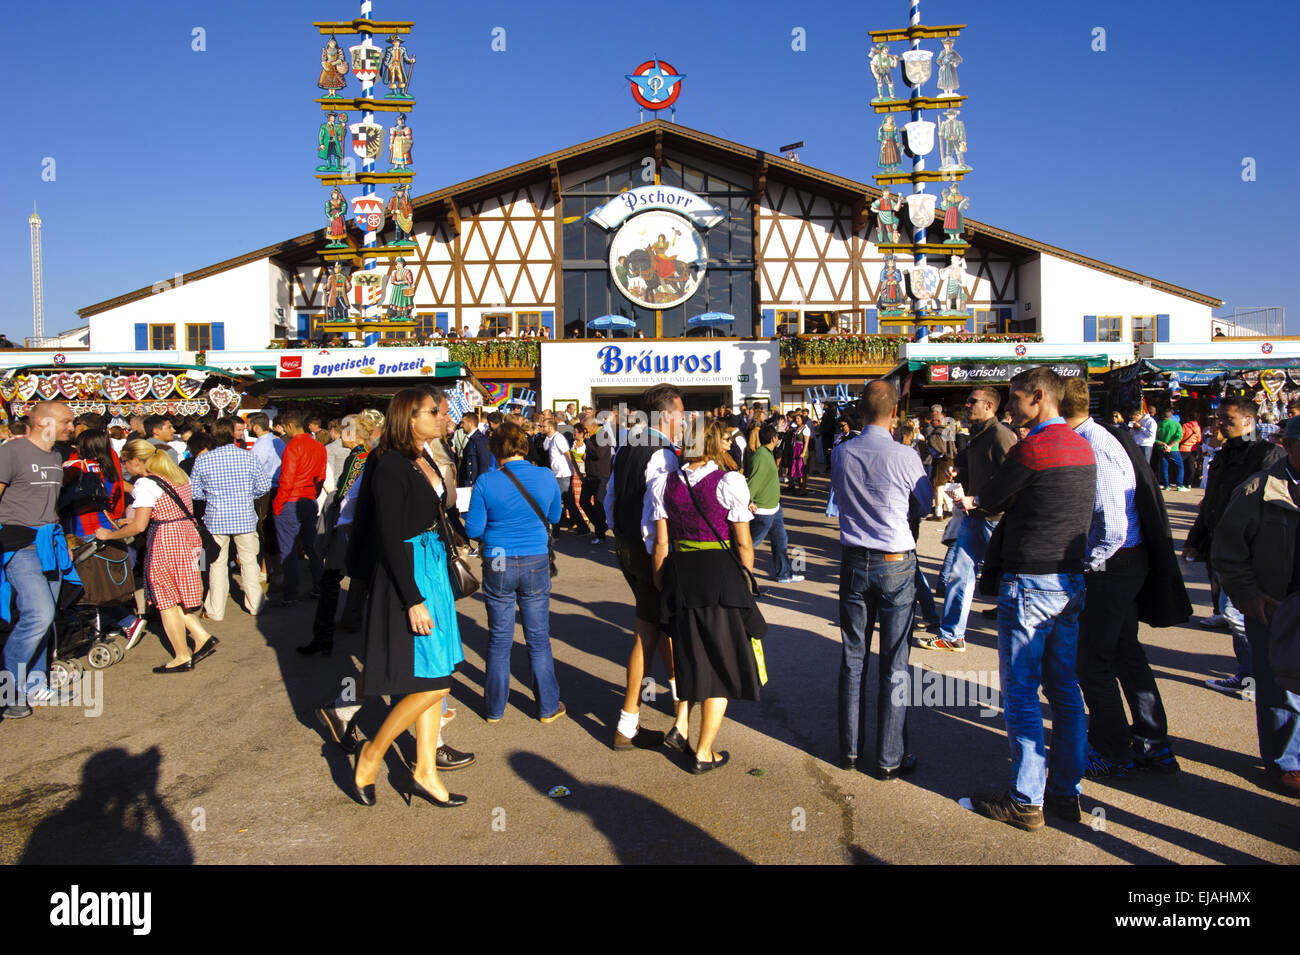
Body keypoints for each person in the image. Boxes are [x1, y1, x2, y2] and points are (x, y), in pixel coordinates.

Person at [961, 367, 1096, 831]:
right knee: (1064, 690)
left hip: (1031, 580)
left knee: (1020, 690)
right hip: (1069, 579)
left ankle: (1025, 798)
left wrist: (987, 501)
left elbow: (993, 499)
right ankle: (1065, 792)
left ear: (1039, 397)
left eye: (1016, 399)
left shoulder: (1034, 447)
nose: (1012, 409)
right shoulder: (1082, 445)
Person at [1060, 379, 1186, 781]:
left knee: (1093, 660)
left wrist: (1087, 565)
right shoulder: (1093, 437)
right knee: (1123, 652)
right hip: (1123, 563)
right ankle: (1153, 745)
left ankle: (1113, 752)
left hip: (1114, 565)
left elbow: (1113, 528)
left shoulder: (1093, 444)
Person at [349, 388, 468, 808]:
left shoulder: (424, 456)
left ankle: (425, 771)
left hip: (432, 564)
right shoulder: (391, 465)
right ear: (408, 417)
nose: (442, 417)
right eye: (433, 412)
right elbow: (389, 536)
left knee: (437, 675)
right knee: (433, 681)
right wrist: (412, 597)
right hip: (411, 571)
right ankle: (372, 753)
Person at [650, 418, 766, 773]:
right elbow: (743, 541)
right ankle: (704, 751)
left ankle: (685, 731)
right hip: (720, 577)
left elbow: (662, 542)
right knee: (721, 663)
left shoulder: (664, 483)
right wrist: (747, 577)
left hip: (682, 577)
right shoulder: (729, 481)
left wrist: (661, 584)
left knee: (693, 658)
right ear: (715, 444)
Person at [832, 380, 933, 778]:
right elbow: (924, 503)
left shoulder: (841, 452)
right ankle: (890, 758)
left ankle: (850, 751)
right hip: (894, 558)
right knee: (895, 662)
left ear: (860, 411)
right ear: (894, 413)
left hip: (855, 558)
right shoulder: (905, 455)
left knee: (852, 658)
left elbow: (841, 498)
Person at [1211, 415, 1300, 795]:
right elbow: (1228, 552)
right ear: (1288, 445)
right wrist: (1247, 597)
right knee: (1281, 688)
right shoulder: (1259, 490)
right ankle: (1287, 762)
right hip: (1278, 608)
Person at [603, 384, 690, 751]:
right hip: (649, 550)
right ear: (667, 415)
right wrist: (660, 563)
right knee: (647, 631)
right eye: (682, 413)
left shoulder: (626, 444)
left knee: (658, 628)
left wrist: (618, 534)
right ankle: (627, 722)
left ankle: (680, 704)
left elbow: (610, 497)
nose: (685, 420)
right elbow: (657, 516)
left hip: (624, 545)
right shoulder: (663, 454)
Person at [464, 421, 564, 723]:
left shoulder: (485, 481)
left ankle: (494, 708)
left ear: (496, 448)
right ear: (524, 445)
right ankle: (547, 706)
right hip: (534, 556)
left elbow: (474, 528)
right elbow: (555, 515)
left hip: (497, 558)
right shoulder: (545, 476)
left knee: (499, 638)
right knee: (538, 637)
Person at [1185, 396, 1284, 698]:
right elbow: (1211, 502)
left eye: (1227, 419)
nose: (1220, 424)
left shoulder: (1267, 455)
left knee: (1239, 617)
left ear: (1249, 422)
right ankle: (1252, 677)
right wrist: (1195, 540)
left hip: (1252, 556)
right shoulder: (1224, 455)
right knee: (1236, 616)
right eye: (1218, 418)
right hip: (1224, 552)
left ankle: (1258, 679)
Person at [96, 440, 217, 673]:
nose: (125, 468)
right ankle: (201, 636)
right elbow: (167, 510)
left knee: (166, 600)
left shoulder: (145, 484)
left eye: (124, 462)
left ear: (135, 461)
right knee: (182, 591)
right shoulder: (178, 474)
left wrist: (109, 534)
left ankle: (182, 655)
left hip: (166, 541)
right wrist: (133, 521)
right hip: (189, 536)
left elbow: (139, 527)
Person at [918, 387, 1016, 653]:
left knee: (1012, 580)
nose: (967, 404)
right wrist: (960, 470)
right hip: (975, 516)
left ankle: (1020, 641)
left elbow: (1012, 479)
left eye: (973, 401)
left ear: (990, 407)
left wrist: (982, 499)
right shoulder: (979, 434)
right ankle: (952, 634)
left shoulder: (1001, 436)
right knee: (960, 574)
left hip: (995, 518)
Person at [0, 401, 76, 717]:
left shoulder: (57, 455)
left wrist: (64, 541)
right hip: (20, 545)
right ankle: (9, 691)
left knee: (46, 620)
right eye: (67, 422)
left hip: (51, 544)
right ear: (44, 422)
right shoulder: (11, 452)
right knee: (38, 614)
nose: (72, 427)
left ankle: (35, 686)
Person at [304, 409, 384, 655]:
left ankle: (323, 638)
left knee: (331, 580)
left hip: (348, 527)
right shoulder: (372, 454)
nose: (341, 437)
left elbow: (344, 493)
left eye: (346, 431)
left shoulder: (359, 456)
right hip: (365, 528)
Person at [60, 428, 148, 649]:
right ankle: (116, 621)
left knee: (83, 587)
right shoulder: (111, 466)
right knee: (103, 584)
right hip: (108, 525)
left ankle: (122, 621)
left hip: (81, 531)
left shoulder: (75, 467)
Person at [190, 418, 271, 622]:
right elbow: (263, 486)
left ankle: (215, 609)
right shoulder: (247, 457)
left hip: (215, 518)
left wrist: (214, 496)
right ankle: (256, 605)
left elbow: (195, 492)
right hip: (244, 517)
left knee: (216, 564)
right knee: (249, 562)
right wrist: (245, 495)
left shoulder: (203, 460)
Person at [271, 410, 327, 606]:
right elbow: (321, 476)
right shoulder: (319, 446)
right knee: (311, 547)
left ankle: (291, 593)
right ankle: (319, 587)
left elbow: (287, 479)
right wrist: (314, 494)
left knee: (288, 549)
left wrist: (278, 505)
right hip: (308, 499)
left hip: (291, 501)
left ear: (288, 426)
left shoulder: (292, 447)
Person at [746, 425, 803, 583]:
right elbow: (754, 480)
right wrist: (749, 500)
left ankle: (784, 574)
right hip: (764, 509)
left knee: (781, 541)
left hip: (774, 507)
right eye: (777, 436)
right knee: (749, 544)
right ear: (773, 438)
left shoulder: (766, 453)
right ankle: (735, 572)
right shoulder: (761, 455)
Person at [543, 415, 587, 535]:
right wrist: (547, 435)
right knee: (566, 501)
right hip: (557, 474)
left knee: (564, 501)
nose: (542, 428)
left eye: (544, 426)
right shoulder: (551, 438)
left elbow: (568, 454)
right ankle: (581, 527)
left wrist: (577, 471)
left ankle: (578, 527)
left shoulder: (559, 438)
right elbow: (545, 447)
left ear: (551, 427)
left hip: (564, 474)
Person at [579, 415, 611, 544]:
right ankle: (601, 526)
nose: (584, 432)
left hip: (601, 476)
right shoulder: (592, 437)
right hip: (590, 475)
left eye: (586, 429)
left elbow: (598, 454)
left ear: (593, 426)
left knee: (599, 504)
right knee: (583, 501)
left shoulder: (602, 435)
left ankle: (600, 534)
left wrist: (587, 442)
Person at [922, 404, 956, 519]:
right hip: (949, 460)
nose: (932, 421)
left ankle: (938, 513)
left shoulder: (937, 432)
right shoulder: (948, 428)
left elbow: (939, 448)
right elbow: (951, 446)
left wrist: (933, 449)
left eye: (933, 419)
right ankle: (949, 508)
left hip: (941, 461)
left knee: (938, 486)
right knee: (943, 486)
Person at [456, 412, 492, 490]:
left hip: (474, 486)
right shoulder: (472, 440)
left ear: (471, 423)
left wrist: (478, 484)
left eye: (463, 422)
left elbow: (485, 465)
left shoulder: (480, 440)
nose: (461, 425)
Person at [1154, 407, 1184, 490]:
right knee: (1180, 466)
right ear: (1171, 416)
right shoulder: (1176, 424)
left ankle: (1166, 485)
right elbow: (1179, 437)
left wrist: (1163, 444)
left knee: (1164, 466)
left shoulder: (1158, 424)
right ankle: (1179, 485)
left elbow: (1154, 438)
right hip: (1173, 449)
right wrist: (1170, 446)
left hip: (1161, 448)